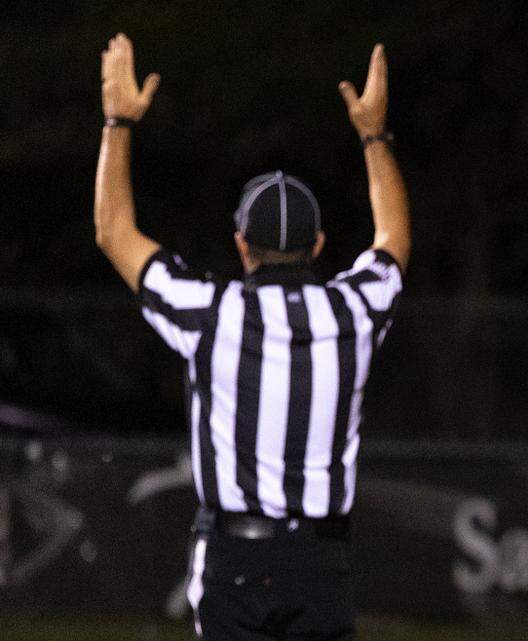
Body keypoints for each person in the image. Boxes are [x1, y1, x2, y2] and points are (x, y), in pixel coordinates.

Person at [94, 34, 409, 640]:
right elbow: (393, 237)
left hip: (234, 557)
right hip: (320, 560)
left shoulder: (211, 312)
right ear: (317, 246)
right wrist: (373, 135)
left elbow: (113, 232)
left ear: (242, 245)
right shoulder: (353, 311)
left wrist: (117, 120)